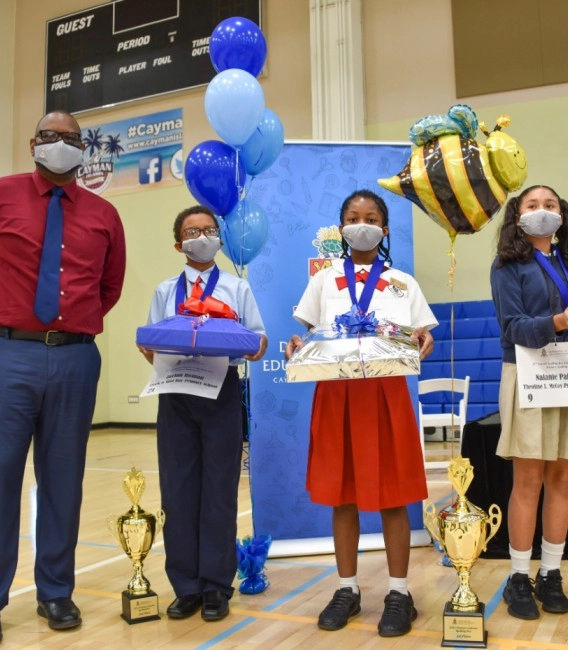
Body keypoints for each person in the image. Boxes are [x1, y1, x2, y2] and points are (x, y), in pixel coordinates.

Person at [0, 110, 126, 646]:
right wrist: (0, 321)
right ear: (33, 143)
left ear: (83, 149)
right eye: (51, 136)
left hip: (75, 358)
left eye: (71, 138)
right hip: (5, 355)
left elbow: (109, 287)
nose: (60, 144)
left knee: (64, 481)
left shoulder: (104, 214)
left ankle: (55, 591)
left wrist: (68, 329)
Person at [283, 190, 436, 638]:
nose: (361, 224)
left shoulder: (403, 282)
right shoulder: (323, 280)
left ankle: (399, 593)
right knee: (342, 494)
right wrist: (298, 346)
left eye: (371, 218)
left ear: (384, 229)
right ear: (341, 228)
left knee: (393, 494)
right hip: (337, 396)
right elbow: (309, 335)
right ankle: (347, 588)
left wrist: (425, 341)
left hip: (387, 396)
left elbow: (421, 335)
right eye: (353, 218)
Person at [138, 205, 267, 622]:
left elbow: (259, 341)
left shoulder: (236, 288)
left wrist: (246, 345)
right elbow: (149, 342)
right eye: (192, 232)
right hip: (175, 392)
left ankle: (214, 586)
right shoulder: (164, 291)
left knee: (218, 489)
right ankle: (186, 586)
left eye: (209, 230)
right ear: (179, 244)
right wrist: (156, 351)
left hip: (221, 391)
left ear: (219, 239)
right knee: (177, 491)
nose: (202, 237)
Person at [490, 184, 568, 621]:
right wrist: (557, 321)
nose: (542, 210)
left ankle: (551, 573)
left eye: (550, 205)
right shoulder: (507, 265)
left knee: (562, 477)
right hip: (529, 375)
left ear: (563, 215)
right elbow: (512, 327)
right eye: (533, 205)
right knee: (529, 480)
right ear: (517, 216)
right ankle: (519, 577)